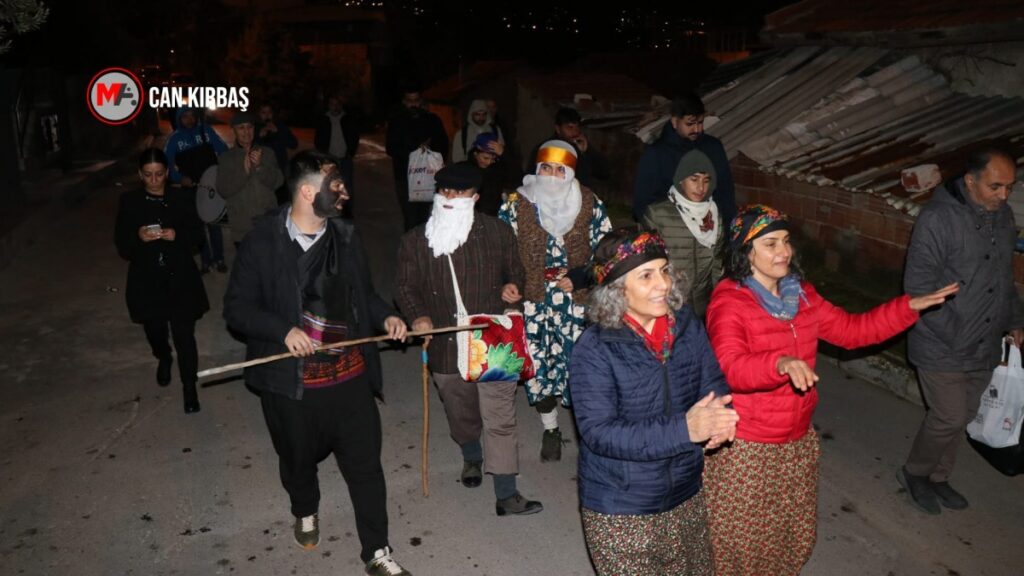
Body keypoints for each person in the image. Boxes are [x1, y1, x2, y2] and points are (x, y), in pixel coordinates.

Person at [704, 204, 958, 576]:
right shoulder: (730, 302)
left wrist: (907, 308)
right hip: (747, 446)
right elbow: (730, 365)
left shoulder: (801, 295)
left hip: (796, 440)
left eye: (786, 241)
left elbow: (853, 332)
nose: (784, 252)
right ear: (746, 251)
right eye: (771, 243)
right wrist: (779, 363)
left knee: (791, 534)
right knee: (742, 543)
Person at [223, 150, 412, 576]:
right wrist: (281, 330)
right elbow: (236, 309)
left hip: (350, 378)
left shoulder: (345, 237)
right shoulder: (262, 242)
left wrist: (386, 315)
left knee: (365, 467)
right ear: (308, 192)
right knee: (297, 460)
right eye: (335, 186)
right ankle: (304, 508)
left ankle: (377, 552)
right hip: (293, 385)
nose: (344, 192)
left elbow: (363, 293)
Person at [570, 229, 738, 576]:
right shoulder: (596, 347)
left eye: (664, 270)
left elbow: (711, 380)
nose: (662, 284)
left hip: (685, 492)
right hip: (622, 506)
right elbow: (599, 432)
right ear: (616, 289)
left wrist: (720, 418)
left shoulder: (686, 324)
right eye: (645, 275)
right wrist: (686, 429)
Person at [394, 163, 543, 516]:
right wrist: (418, 316)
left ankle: (506, 494)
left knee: (501, 417)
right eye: (444, 192)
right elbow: (404, 285)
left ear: (474, 198)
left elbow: (516, 272)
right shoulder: (415, 240)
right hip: (445, 340)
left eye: (459, 194)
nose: (450, 199)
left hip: (493, 337)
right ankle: (471, 455)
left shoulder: (498, 232)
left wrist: (513, 291)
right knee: (461, 412)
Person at [900, 148, 1024, 515]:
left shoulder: (1003, 217)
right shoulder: (937, 218)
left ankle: (938, 477)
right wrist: (955, 330)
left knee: (966, 415)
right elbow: (918, 287)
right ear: (970, 181)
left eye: (1010, 187)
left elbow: (1005, 277)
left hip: (986, 339)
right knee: (949, 416)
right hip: (942, 339)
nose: (1003, 196)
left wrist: (1015, 320)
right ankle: (914, 473)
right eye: (995, 186)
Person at [499, 139, 612, 461]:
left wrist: (581, 276)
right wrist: (507, 283)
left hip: (575, 302)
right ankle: (550, 428)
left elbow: (609, 254)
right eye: (545, 168)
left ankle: (588, 433)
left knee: (581, 366)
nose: (550, 175)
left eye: (559, 169)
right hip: (533, 302)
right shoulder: (515, 204)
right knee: (538, 365)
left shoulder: (589, 202)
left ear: (570, 172)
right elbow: (503, 251)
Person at [114, 148, 209, 414]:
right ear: (140, 175)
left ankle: (189, 387)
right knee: (154, 330)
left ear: (167, 173)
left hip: (179, 276)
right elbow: (121, 243)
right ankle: (163, 356)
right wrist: (138, 237)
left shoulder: (181, 198)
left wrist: (177, 235)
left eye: (158, 174)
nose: (154, 180)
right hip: (147, 279)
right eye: (148, 175)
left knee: (184, 335)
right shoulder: (130, 201)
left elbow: (197, 236)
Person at [640, 149, 724, 319]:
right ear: (681, 180)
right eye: (694, 180)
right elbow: (646, 264)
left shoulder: (713, 215)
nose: (701, 188)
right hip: (668, 301)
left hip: (704, 305)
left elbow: (717, 263)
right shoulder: (657, 214)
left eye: (706, 181)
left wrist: (718, 300)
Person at [633, 93, 737, 227]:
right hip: (673, 233)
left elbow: (725, 191)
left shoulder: (713, 148)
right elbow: (643, 203)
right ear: (675, 122)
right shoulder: (656, 154)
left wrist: (728, 228)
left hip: (712, 230)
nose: (697, 129)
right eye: (690, 124)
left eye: (700, 123)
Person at [164, 106, 229, 273]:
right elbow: (166, 166)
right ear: (179, 119)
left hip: (211, 187)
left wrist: (222, 171)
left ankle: (219, 259)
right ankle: (205, 261)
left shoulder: (206, 131)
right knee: (198, 226)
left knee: (214, 223)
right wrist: (179, 178)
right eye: (185, 116)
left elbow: (224, 151)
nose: (189, 119)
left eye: (192, 115)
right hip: (191, 189)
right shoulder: (174, 140)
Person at [385, 87, 449, 231]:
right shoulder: (396, 122)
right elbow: (391, 148)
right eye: (409, 101)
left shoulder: (432, 121)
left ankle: (422, 249)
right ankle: (411, 250)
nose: (413, 104)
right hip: (405, 178)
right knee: (410, 217)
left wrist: (430, 155)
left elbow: (443, 146)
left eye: (416, 100)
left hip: (429, 176)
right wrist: (414, 151)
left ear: (421, 101)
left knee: (426, 217)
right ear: (404, 102)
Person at [217, 112, 283, 244]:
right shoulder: (226, 158)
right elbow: (223, 189)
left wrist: (260, 167)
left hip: (268, 223)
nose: (246, 132)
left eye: (249, 127)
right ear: (234, 130)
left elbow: (278, 182)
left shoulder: (267, 153)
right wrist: (244, 172)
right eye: (241, 128)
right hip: (242, 227)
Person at [527, 107, 608, 189]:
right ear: (558, 129)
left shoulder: (580, 146)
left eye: (577, 127)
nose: (575, 132)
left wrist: (587, 151)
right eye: (570, 128)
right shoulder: (546, 149)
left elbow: (604, 174)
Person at [313, 94, 362, 215]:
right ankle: (331, 212)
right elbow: (318, 139)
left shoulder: (348, 119)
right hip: (330, 160)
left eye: (337, 104)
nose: (335, 107)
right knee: (329, 187)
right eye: (332, 104)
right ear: (328, 106)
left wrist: (351, 152)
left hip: (345, 159)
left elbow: (354, 136)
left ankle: (347, 213)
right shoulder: (324, 119)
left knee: (347, 187)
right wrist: (323, 156)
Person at [255, 103, 298, 204]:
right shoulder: (255, 128)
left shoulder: (279, 126)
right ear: (259, 114)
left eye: (269, 112)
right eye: (263, 112)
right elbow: (247, 148)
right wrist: (259, 137)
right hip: (262, 173)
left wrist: (278, 131)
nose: (267, 115)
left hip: (280, 171)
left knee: (281, 202)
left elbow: (293, 144)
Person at [451, 99, 504, 163]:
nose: (481, 117)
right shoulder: (461, 134)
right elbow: (456, 159)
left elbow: (502, 151)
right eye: (477, 114)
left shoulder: (495, 130)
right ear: (471, 114)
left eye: (484, 114)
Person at [467, 132, 505, 216]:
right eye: (485, 158)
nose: (488, 162)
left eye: (493, 159)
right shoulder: (465, 170)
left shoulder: (497, 169)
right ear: (475, 154)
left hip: (494, 218)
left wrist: (504, 154)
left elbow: (516, 178)